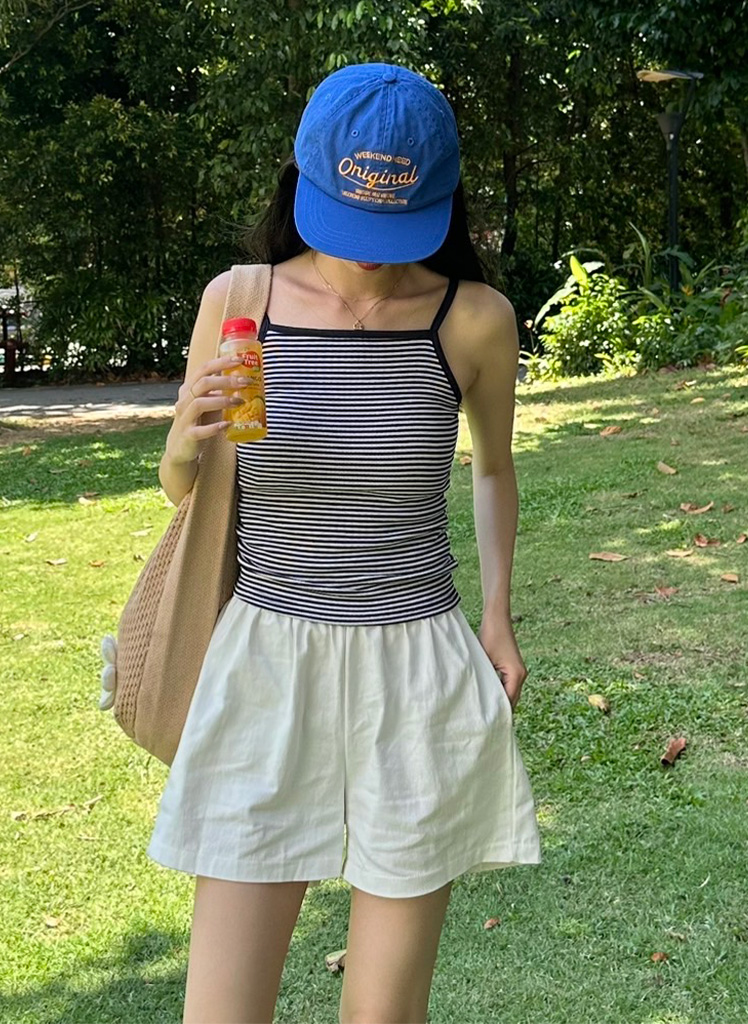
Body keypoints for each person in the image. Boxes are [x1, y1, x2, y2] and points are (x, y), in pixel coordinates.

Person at [148, 61, 542, 1024]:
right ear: (304, 179)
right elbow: (186, 492)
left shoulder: (473, 320)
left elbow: (493, 470)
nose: (367, 259)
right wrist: (182, 441)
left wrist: (497, 615)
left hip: (416, 671)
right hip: (266, 662)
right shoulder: (239, 302)